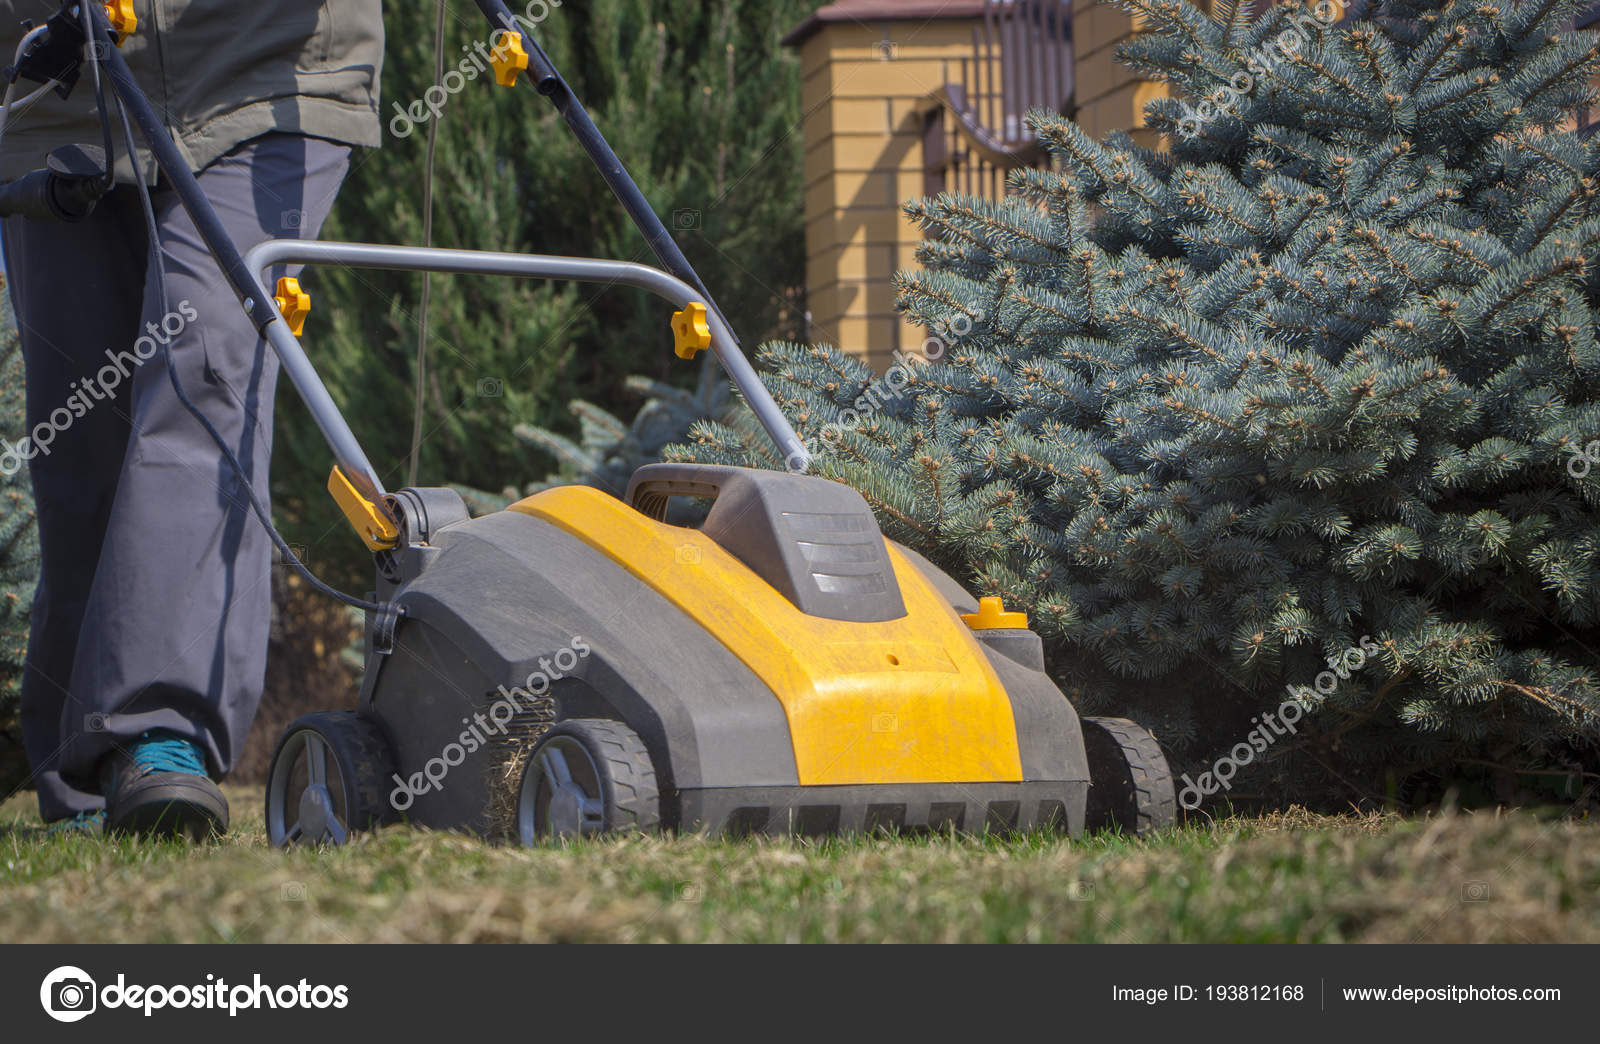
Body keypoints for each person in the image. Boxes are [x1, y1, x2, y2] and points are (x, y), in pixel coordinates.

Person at [0, 0, 383, 837]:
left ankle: (158, 735)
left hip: (267, 69)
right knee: (82, 430)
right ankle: (83, 775)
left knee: (204, 368)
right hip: (58, 79)